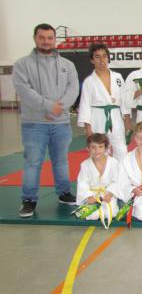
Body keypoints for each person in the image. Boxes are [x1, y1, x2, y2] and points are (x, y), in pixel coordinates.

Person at [13, 23, 79, 217]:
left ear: (54, 39)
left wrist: (60, 108)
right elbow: (24, 90)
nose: (46, 41)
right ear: (35, 38)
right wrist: (49, 107)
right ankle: (29, 200)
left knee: (61, 161)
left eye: (50, 38)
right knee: (33, 162)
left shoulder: (68, 65)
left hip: (61, 123)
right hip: (34, 124)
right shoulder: (22, 64)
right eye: (42, 37)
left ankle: (64, 192)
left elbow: (73, 89)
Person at [78, 43, 129, 160]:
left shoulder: (118, 77)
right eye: (97, 57)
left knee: (122, 153)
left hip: (116, 119)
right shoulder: (89, 82)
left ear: (108, 58)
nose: (102, 60)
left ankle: (121, 178)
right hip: (98, 119)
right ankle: (101, 178)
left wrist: (127, 122)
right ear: (92, 60)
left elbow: (124, 101)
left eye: (104, 56)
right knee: (100, 155)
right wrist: (88, 130)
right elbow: (85, 106)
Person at [75, 133, 119, 226]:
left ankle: (101, 207)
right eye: (93, 147)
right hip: (92, 196)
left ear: (106, 148)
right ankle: (88, 208)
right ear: (88, 148)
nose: (97, 150)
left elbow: (117, 181)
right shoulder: (85, 165)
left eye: (100, 147)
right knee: (93, 215)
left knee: (111, 213)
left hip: (107, 194)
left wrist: (110, 194)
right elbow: (82, 183)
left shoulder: (113, 162)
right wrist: (90, 197)